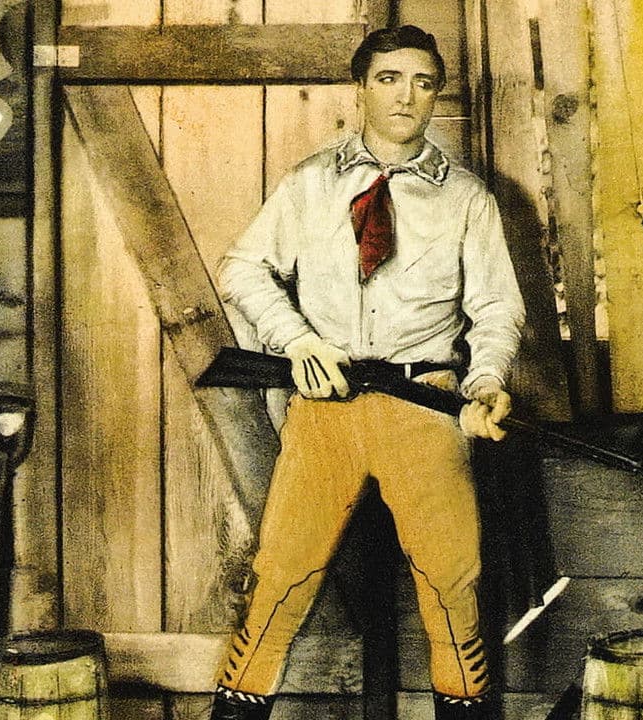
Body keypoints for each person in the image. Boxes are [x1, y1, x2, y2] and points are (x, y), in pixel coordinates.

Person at [211, 24, 525, 720]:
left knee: (450, 581)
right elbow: (241, 269)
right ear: (360, 88)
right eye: (388, 79)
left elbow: (496, 309)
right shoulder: (309, 184)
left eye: (422, 82)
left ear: (436, 95)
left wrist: (484, 382)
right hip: (327, 406)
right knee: (282, 575)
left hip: (424, 404)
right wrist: (297, 341)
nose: (405, 96)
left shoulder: (466, 198)